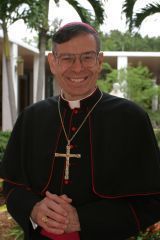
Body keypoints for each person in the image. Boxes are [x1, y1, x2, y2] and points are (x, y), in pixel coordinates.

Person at [0, 22, 160, 240]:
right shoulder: (32, 117)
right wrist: (33, 209)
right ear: (53, 62)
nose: (77, 68)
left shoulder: (131, 118)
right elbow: (11, 185)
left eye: (87, 57)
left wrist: (83, 220)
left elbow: (152, 201)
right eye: (67, 58)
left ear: (99, 61)